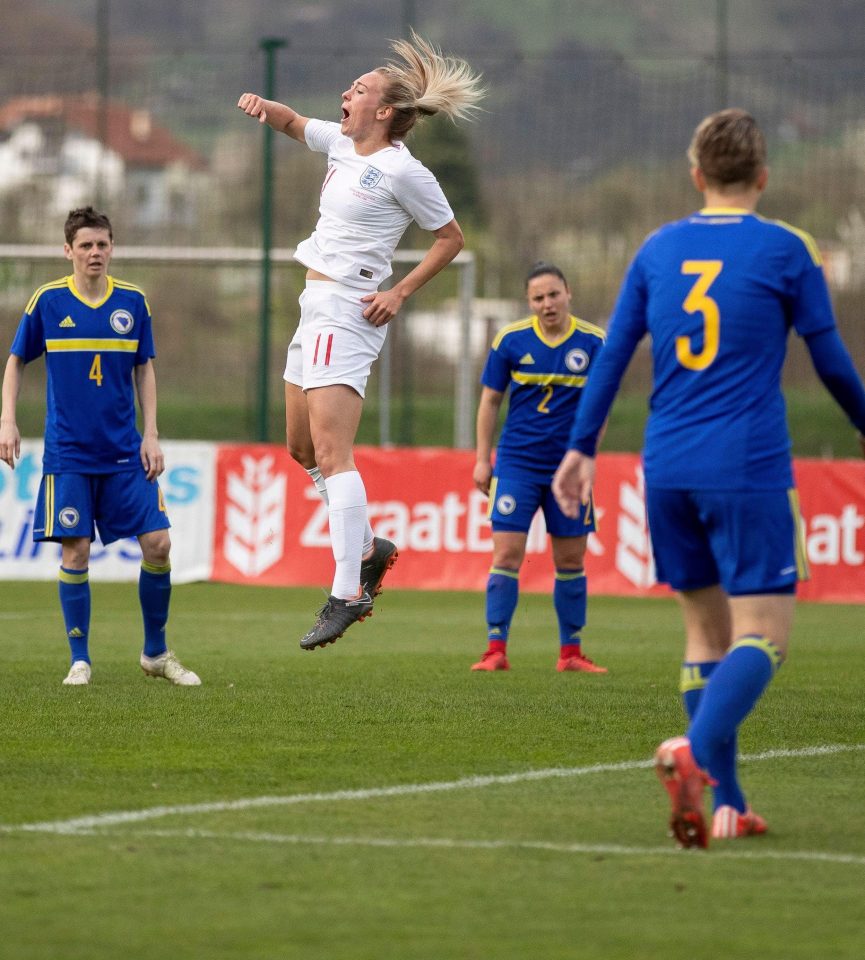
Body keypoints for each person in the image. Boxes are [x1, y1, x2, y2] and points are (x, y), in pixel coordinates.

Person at [553, 108, 865, 847]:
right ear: (761, 175)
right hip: (747, 465)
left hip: (667, 466)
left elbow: (613, 355)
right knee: (763, 636)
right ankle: (693, 755)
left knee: (703, 633)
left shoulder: (657, 249)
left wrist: (580, 448)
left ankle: (726, 803)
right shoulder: (788, 248)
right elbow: (828, 360)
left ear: (695, 175)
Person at [237, 31, 485, 650]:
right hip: (312, 306)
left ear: (384, 112)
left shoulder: (403, 170)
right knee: (299, 447)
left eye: (360, 88)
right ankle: (369, 547)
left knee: (332, 453)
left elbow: (450, 238)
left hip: (348, 313)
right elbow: (296, 123)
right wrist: (267, 109)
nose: (347, 92)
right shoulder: (342, 144)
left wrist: (399, 293)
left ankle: (348, 590)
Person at [0, 207, 200, 687]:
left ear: (112, 248)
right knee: (77, 551)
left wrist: (150, 433)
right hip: (68, 455)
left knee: (159, 543)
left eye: (102, 244)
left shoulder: (132, 302)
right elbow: (15, 361)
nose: (95, 253)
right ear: (67, 251)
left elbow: (144, 367)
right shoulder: (46, 301)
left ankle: (155, 652)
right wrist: (7, 420)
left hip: (125, 454)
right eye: (85, 245)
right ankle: (80, 660)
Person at [471, 263, 607, 674]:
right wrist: (482, 458)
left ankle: (571, 653)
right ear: (529, 302)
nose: (547, 304)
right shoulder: (511, 340)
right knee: (507, 554)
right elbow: (490, 400)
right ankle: (496, 649)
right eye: (538, 298)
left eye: (553, 294)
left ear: (568, 293)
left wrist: (586, 460)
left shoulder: (595, 342)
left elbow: (598, 409)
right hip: (517, 464)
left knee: (570, 559)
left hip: (567, 469)